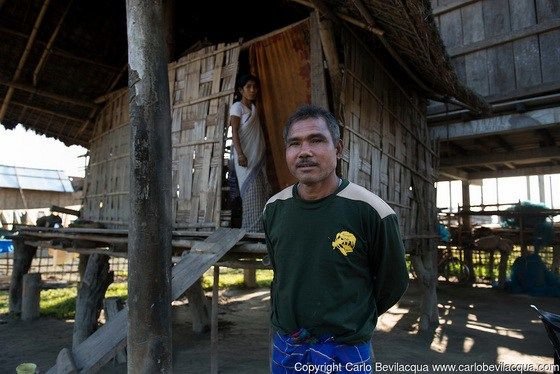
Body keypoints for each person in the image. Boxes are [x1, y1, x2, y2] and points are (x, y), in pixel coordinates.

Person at [263, 104, 409, 373]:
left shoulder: (373, 212)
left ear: (338, 149)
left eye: (316, 140)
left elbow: (393, 281)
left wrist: (351, 317)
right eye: (294, 144)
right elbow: (280, 271)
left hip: (346, 348)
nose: (304, 151)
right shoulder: (274, 209)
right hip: (288, 344)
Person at [229, 73, 269, 232]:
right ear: (241, 90)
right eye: (248, 87)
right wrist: (240, 154)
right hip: (245, 159)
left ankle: (260, 231)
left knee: (261, 194)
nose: (252, 90)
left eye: (254, 87)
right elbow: (235, 133)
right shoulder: (237, 107)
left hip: (257, 157)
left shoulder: (253, 108)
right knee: (250, 194)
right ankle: (250, 231)